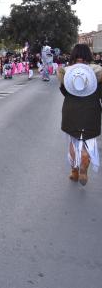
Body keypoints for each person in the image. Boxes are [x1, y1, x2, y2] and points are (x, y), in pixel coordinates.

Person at [57, 44, 101, 186]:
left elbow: (64, 92)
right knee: (89, 142)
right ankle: (84, 162)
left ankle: (74, 171)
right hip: (91, 111)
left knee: (73, 140)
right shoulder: (98, 72)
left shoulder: (67, 72)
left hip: (71, 111)